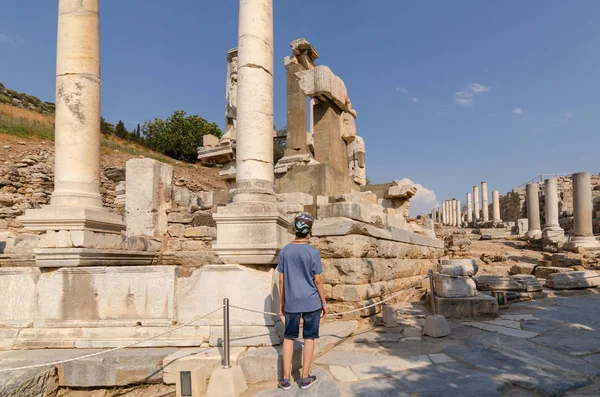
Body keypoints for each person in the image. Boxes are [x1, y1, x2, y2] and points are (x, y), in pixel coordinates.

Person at [277, 212, 327, 391]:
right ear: (309, 230)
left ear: (294, 229)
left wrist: (283, 301)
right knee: (309, 337)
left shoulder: (284, 251)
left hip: (292, 301)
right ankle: (305, 378)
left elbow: (281, 280)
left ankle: (285, 379)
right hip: (311, 301)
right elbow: (318, 280)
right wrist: (324, 302)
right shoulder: (313, 252)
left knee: (289, 337)